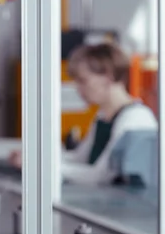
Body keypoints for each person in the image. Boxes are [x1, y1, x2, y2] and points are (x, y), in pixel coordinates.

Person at [10, 42, 157, 185]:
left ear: (108, 77)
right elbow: (80, 159)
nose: (78, 89)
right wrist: (36, 159)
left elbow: (101, 175)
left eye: (83, 81)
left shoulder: (135, 118)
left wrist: (40, 167)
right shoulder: (103, 115)